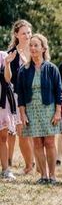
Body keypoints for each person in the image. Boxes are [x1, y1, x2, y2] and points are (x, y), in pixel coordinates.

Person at [15, 34, 62, 184]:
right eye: (31, 45)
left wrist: (58, 112)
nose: (33, 48)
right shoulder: (24, 70)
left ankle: (53, 176)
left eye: (36, 45)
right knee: (37, 143)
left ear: (43, 48)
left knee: (49, 142)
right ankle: (43, 175)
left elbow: (58, 91)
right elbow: (21, 94)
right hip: (31, 109)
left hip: (49, 109)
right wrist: (22, 114)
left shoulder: (52, 68)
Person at [3, 20, 35, 174]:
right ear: (16, 35)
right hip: (17, 97)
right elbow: (8, 79)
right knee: (22, 132)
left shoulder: (36, 49)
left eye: (29, 32)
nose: (27, 36)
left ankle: (36, 164)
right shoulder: (11, 54)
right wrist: (12, 64)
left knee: (35, 132)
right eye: (23, 33)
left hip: (36, 96)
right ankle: (29, 165)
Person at [0, 50, 15, 180]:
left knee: (3, 137)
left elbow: (8, 78)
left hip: (2, 101)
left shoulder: (3, 56)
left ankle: (5, 169)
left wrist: (7, 63)